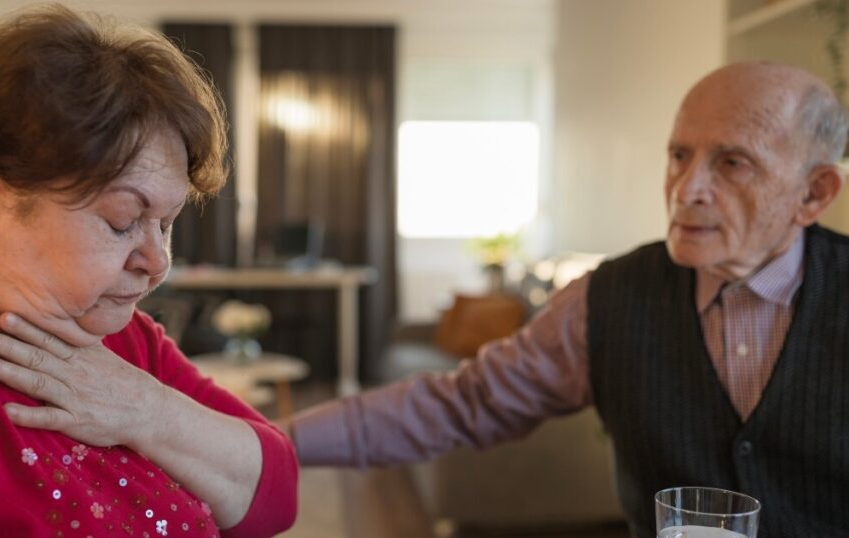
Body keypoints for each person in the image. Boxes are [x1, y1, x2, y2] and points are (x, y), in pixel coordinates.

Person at [290, 62, 849, 537]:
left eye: (732, 163)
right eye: (679, 155)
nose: (685, 189)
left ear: (814, 192)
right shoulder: (607, 298)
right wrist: (273, 443)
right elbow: (462, 403)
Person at [0, 5, 296, 537]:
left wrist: (150, 411)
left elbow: (276, 491)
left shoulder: (119, 336)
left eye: (166, 223)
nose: (158, 261)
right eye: (123, 220)